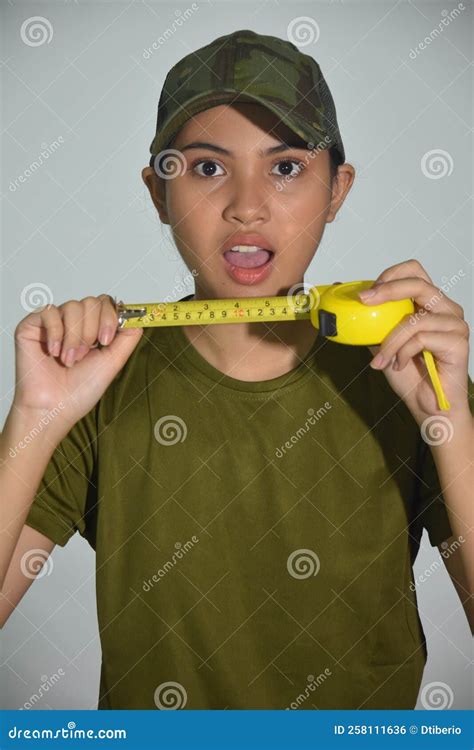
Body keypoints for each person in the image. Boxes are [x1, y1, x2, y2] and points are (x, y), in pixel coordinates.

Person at [1, 29, 472, 711]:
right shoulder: (96, 385)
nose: (246, 206)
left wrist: (449, 422)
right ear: (158, 192)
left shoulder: (410, 376)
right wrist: (36, 419)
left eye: (285, 168)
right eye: (206, 167)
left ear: (337, 190)